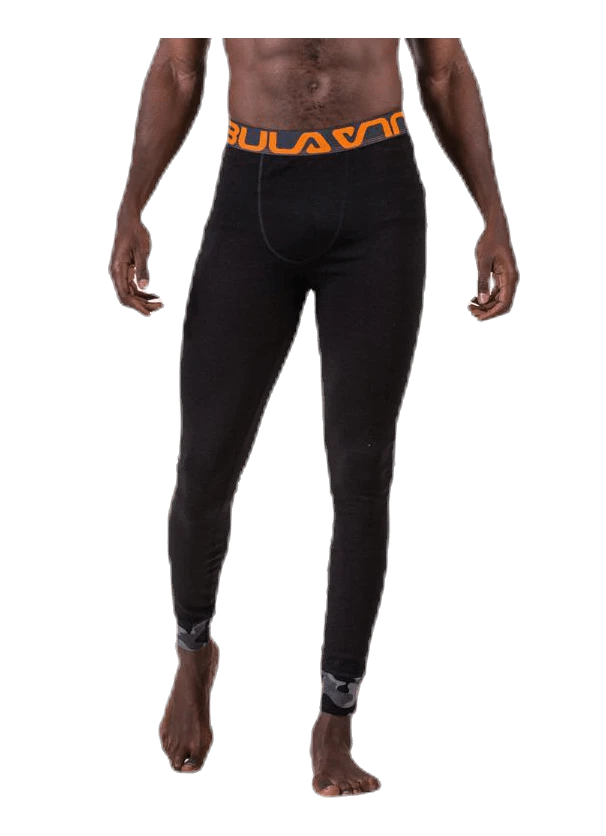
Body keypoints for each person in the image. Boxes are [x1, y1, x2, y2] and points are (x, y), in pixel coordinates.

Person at [109, 35, 518, 796]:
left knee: (362, 473)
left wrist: (492, 214)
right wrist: (133, 204)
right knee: (204, 463)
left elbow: (443, 70)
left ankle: (334, 725)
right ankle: (193, 652)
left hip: (378, 201)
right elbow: (178, 68)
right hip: (253, 191)